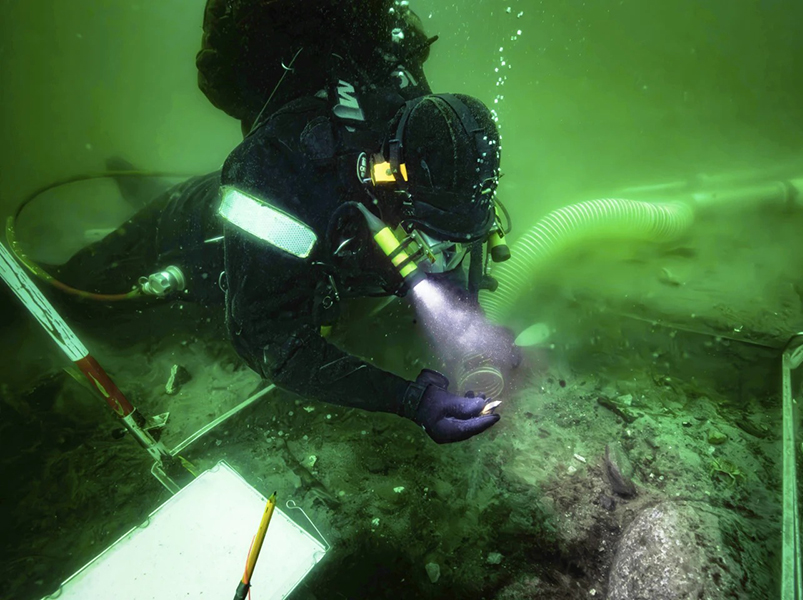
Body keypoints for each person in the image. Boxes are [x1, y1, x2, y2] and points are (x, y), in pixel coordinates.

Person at [51, 0, 515, 444]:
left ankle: (137, 194)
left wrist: (474, 332)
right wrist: (410, 401)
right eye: (433, 235)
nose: (438, 254)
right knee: (84, 288)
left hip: (304, 222)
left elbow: (448, 240)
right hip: (199, 227)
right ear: (392, 174)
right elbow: (267, 338)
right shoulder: (276, 174)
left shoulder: (420, 130)